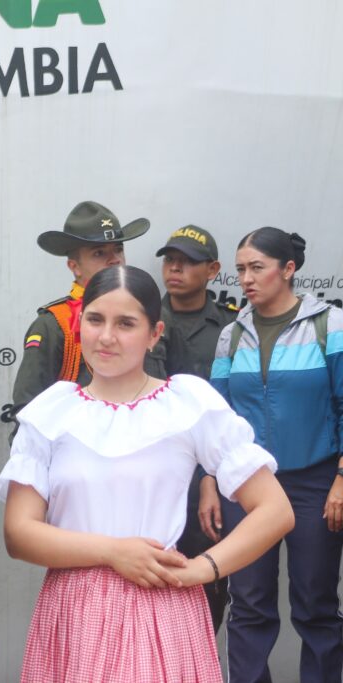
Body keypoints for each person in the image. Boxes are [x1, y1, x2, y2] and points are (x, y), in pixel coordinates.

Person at [0, 264, 293, 683]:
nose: (106, 336)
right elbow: (19, 534)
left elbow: (275, 510)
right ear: (79, 324)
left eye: (126, 323)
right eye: (96, 319)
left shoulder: (186, 402)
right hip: (74, 611)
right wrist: (113, 552)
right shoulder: (52, 411)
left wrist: (203, 568)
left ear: (154, 333)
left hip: (162, 606)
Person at [210, 227, 343, 683]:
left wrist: (342, 479)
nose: (246, 278)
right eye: (241, 269)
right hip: (246, 486)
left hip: (315, 483)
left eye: (257, 267)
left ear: (288, 269)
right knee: (248, 604)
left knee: (316, 604)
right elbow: (218, 419)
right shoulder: (231, 334)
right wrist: (211, 482)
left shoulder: (332, 325)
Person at [156, 224, 237, 631]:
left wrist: (212, 475)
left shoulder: (232, 327)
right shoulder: (141, 320)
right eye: (170, 260)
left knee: (207, 588)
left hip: (210, 480)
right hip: (152, 476)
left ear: (213, 270)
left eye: (187, 262)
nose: (174, 268)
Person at [11, 201, 164, 414]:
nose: (114, 260)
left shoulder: (145, 315)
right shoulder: (53, 324)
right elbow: (28, 411)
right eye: (99, 253)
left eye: (118, 250)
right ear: (75, 267)